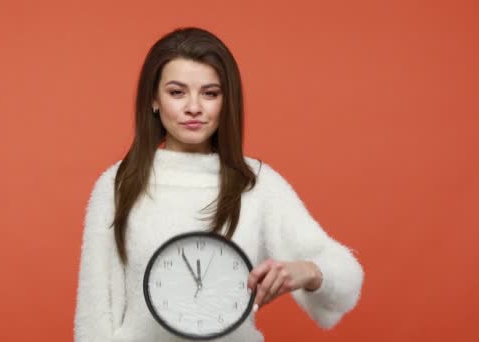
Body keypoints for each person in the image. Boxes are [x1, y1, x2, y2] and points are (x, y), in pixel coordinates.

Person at [74, 27, 364, 342]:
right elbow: (95, 315)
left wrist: (307, 271)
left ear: (226, 102)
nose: (194, 107)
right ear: (154, 100)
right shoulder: (119, 184)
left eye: (210, 93)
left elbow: (345, 277)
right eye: (177, 92)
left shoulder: (255, 183)